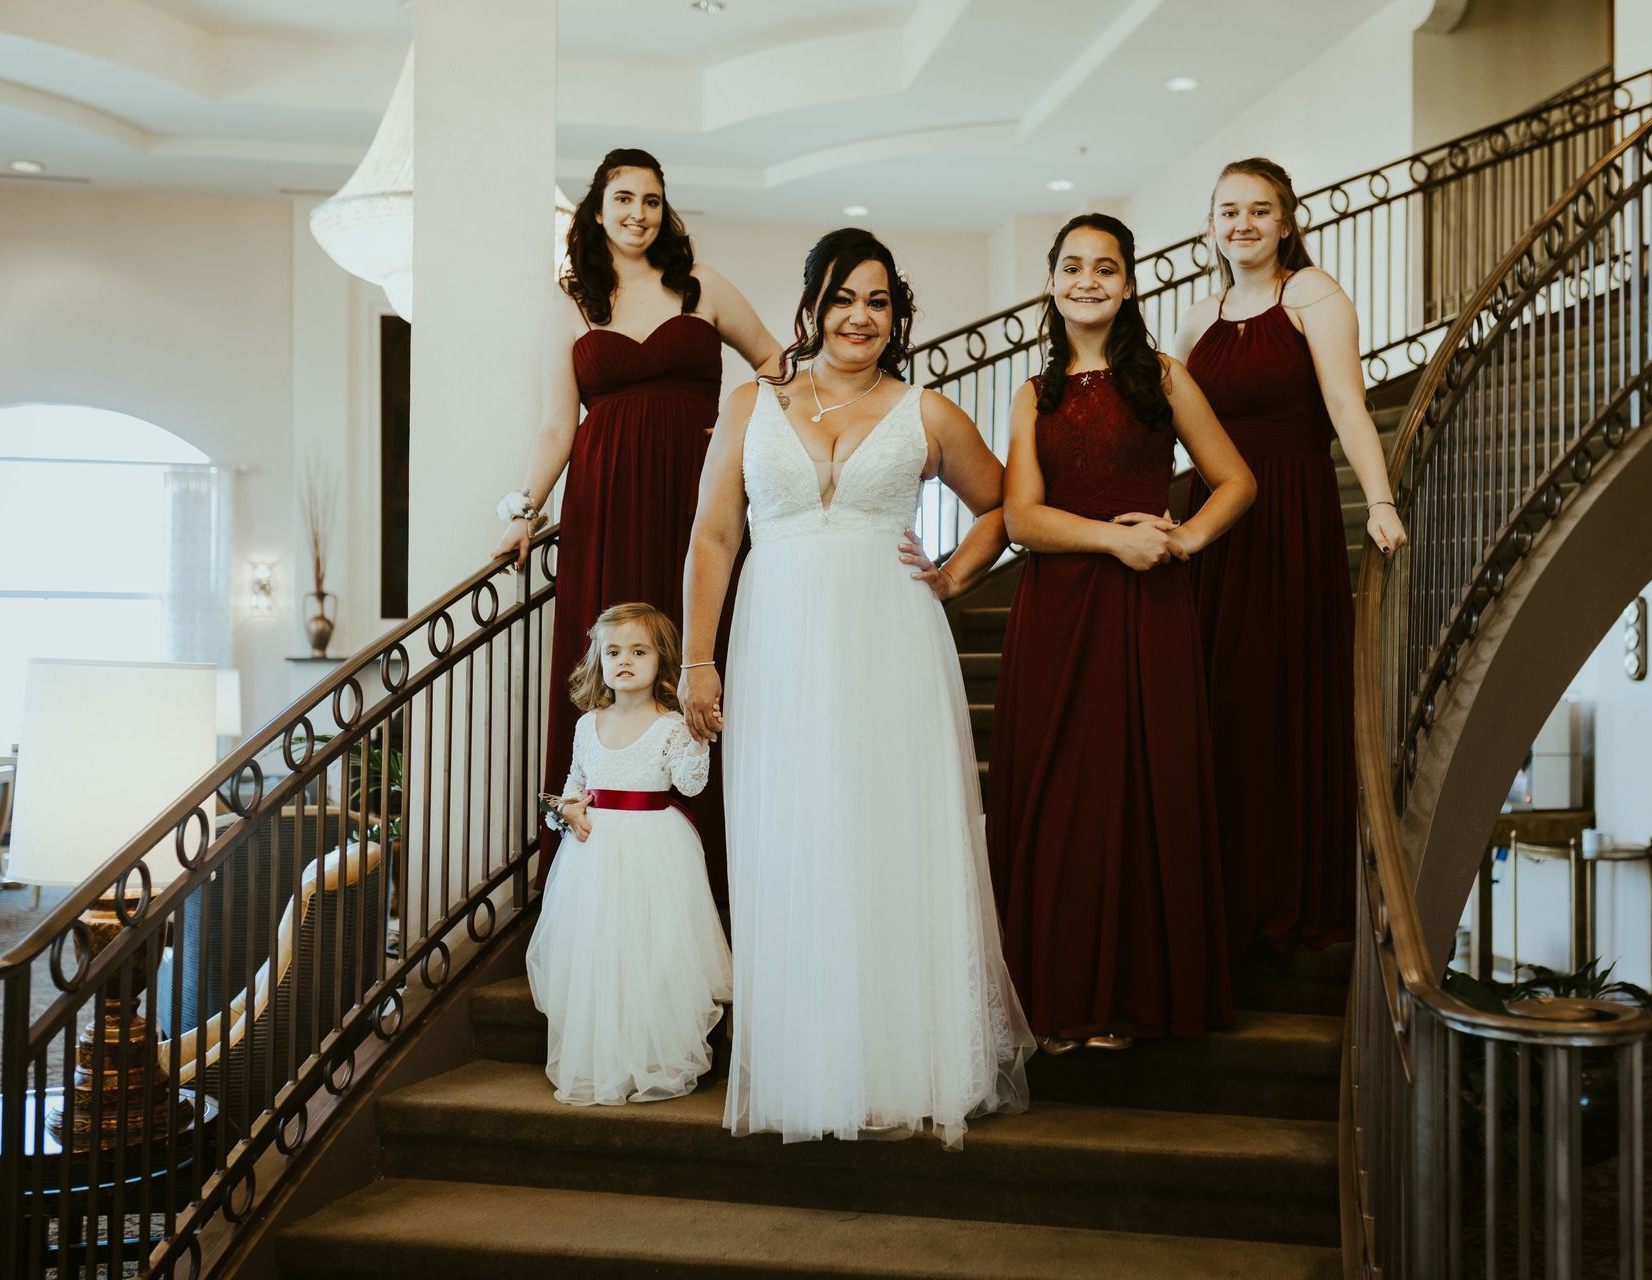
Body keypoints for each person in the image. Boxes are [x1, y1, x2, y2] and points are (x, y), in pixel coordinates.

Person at [680, 227, 1032, 1148]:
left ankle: (902, 1063)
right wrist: (697, 658)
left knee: (889, 834)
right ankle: (812, 1064)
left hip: (891, 641)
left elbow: (1004, 505)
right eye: (843, 298)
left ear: (897, 315)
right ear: (810, 307)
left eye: (878, 301)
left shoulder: (928, 411)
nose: (860, 317)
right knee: (798, 837)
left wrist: (953, 576)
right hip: (780, 643)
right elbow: (714, 537)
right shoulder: (750, 404)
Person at [986, 213, 1256, 1054]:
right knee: (1060, 796)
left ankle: (1129, 999)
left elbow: (1235, 481)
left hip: (1149, 615)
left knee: (1141, 790)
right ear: (1053, 280)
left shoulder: (1167, 378)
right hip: (1058, 613)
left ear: (1131, 283)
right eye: (1073, 266)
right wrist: (1117, 537)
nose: (1089, 280)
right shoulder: (1036, 393)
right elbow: (1023, 517)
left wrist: (1182, 539)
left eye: (1107, 268)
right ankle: (1058, 997)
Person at [493, 147, 781, 900]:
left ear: (665, 210)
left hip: (701, 502)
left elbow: (777, 369)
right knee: (617, 676)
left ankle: (718, 883)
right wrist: (525, 512)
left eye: (651, 200)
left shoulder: (703, 287)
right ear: (597, 209)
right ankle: (601, 891)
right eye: (623, 199)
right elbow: (558, 427)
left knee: (703, 660)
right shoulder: (571, 304)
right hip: (607, 506)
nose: (637, 213)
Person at [1169, 158, 1409, 961]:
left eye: (1259, 211)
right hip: (1210, 521)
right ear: (1211, 223)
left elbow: (1347, 403)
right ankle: (1222, 892)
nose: (1242, 224)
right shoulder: (1198, 316)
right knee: (1214, 706)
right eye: (1228, 210)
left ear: (1286, 221)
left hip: (1289, 515)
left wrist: (1378, 502)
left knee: (1278, 696)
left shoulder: (1312, 294)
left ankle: (1287, 893)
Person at [526, 602, 732, 1106]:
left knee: (651, 951)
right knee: (601, 952)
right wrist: (568, 809)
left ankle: (655, 1052)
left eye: (638, 651)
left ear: (661, 660)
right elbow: (575, 784)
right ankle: (604, 1056)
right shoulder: (586, 725)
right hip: (595, 854)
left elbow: (689, 784)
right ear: (598, 660)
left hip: (653, 847)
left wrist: (699, 740)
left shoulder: (670, 724)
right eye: (613, 651)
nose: (624, 660)